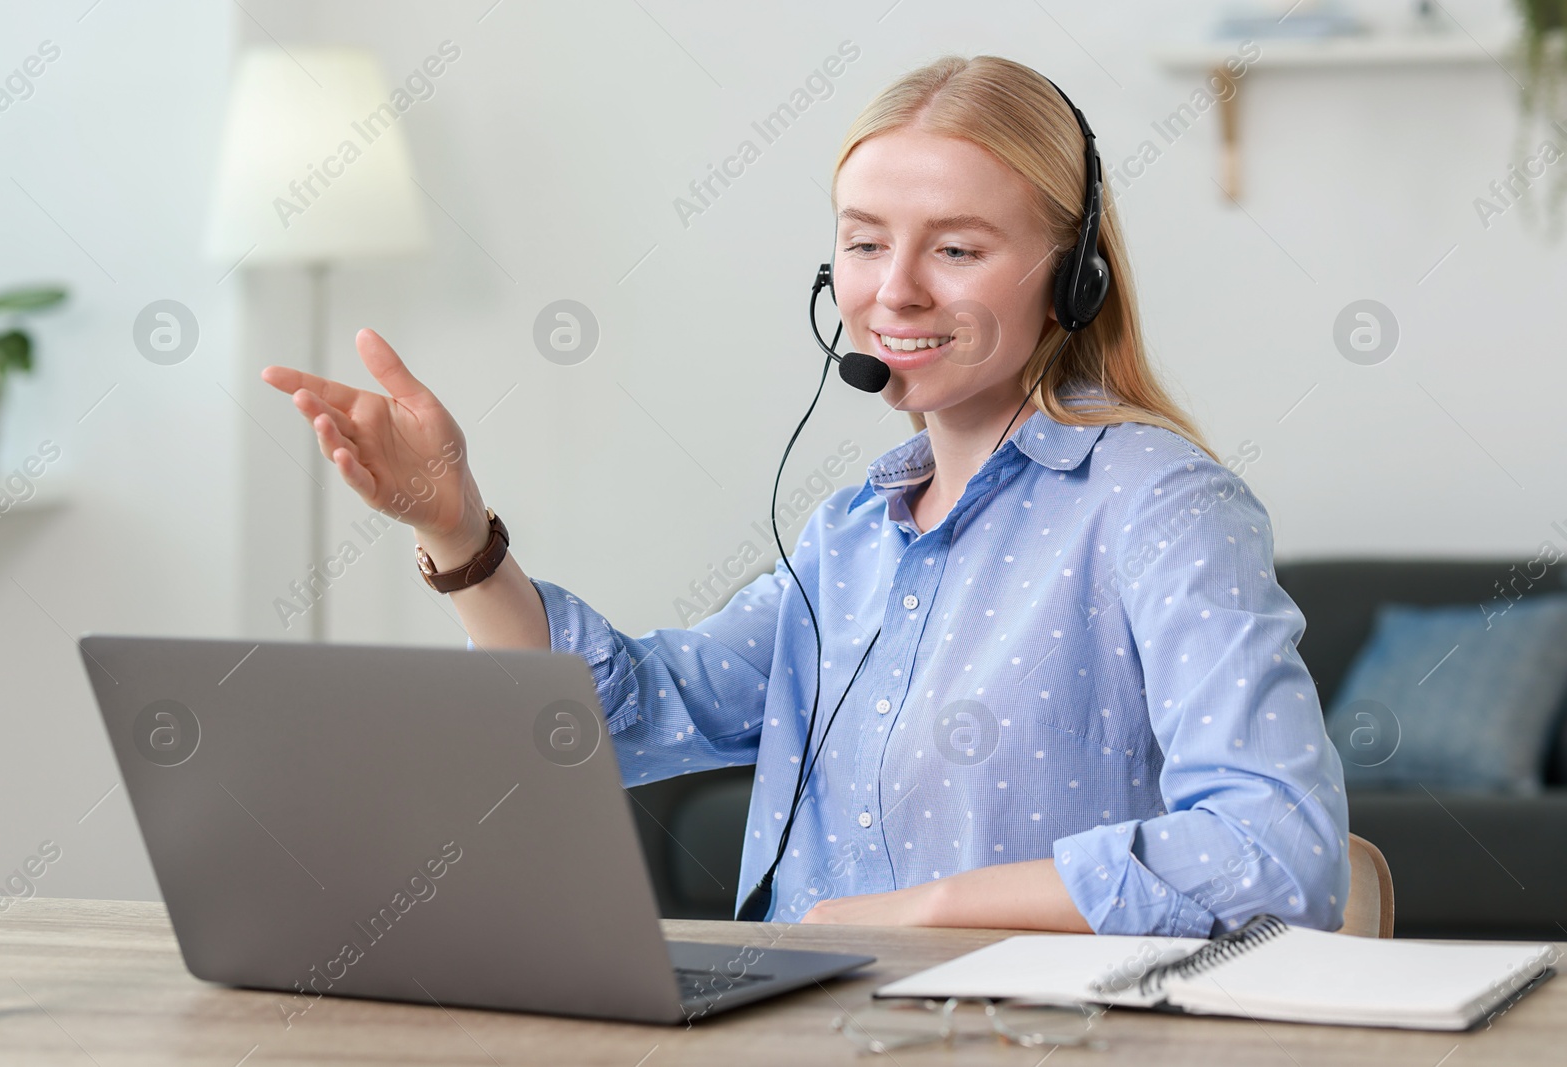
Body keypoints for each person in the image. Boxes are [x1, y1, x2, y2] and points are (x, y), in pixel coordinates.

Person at [261, 55, 1349, 937]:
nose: (895, 289)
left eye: (958, 248)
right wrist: (454, 527)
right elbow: (618, 718)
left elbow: (1277, 850)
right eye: (865, 242)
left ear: (1072, 278)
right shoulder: (854, 533)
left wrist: (921, 913)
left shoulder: (1158, 504)